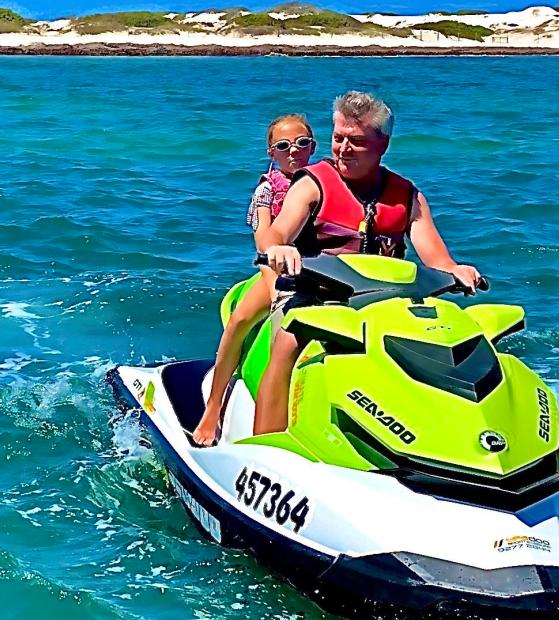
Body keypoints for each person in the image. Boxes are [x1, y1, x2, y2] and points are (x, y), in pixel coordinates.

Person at [253, 91, 482, 436]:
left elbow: (437, 258)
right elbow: (278, 231)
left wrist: (458, 271)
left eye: (357, 141)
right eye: (338, 138)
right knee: (288, 340)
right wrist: (279, 249)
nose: (344, 149)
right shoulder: (312, 184)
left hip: (385, 304)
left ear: (382, 145)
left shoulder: (407, 196)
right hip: (315, 298)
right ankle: (264, 442)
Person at [191, 113, 316, 446]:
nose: (294, 151)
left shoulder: (323, 182)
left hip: (319, 272)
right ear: (271, 152)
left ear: (313, 147)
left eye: (302, 143)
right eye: (284, 146)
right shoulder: (267, 190)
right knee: (240, 321)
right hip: (274, 268)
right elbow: (263, 240)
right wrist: (276, 284)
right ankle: (213, 407)